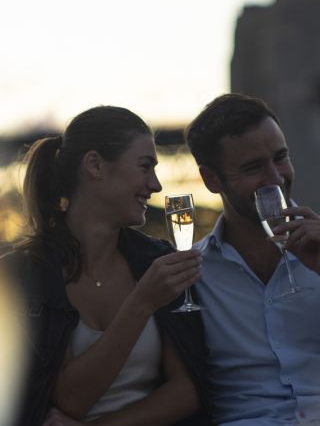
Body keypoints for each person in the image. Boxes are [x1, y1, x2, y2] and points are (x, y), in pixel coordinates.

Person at [1, 105, 211, 426]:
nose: (156, 185)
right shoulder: (26, 276)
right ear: (95, 165)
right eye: (145, 167)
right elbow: (69, 400)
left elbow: (188, 389)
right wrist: (141, 303)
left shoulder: (156, 261)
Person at [184, 92, 320, 425]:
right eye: (253, 167)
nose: (276, 178)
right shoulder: (191, 275)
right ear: (211, 180)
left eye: (281, 157)